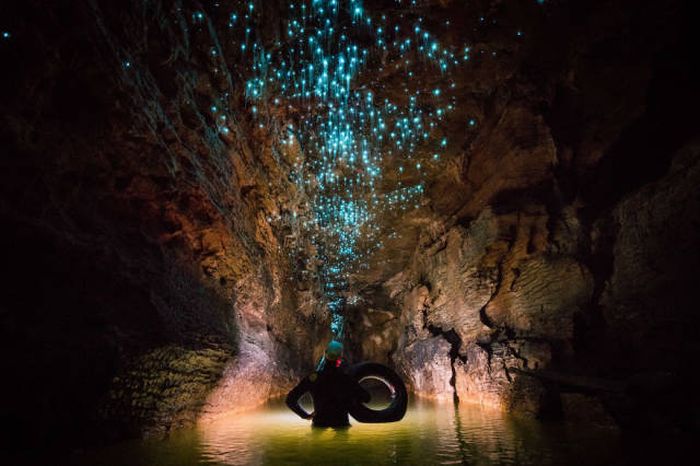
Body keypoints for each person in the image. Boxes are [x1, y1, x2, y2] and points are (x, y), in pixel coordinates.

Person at [286, 340, 370, 427]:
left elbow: (290, 400)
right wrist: (349, 399)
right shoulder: (346, 379)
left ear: (325, 354)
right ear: (340, 358)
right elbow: (366, 398)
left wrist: (305, 415)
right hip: (341, 424)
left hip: (319, 423)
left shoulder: (313, 378)